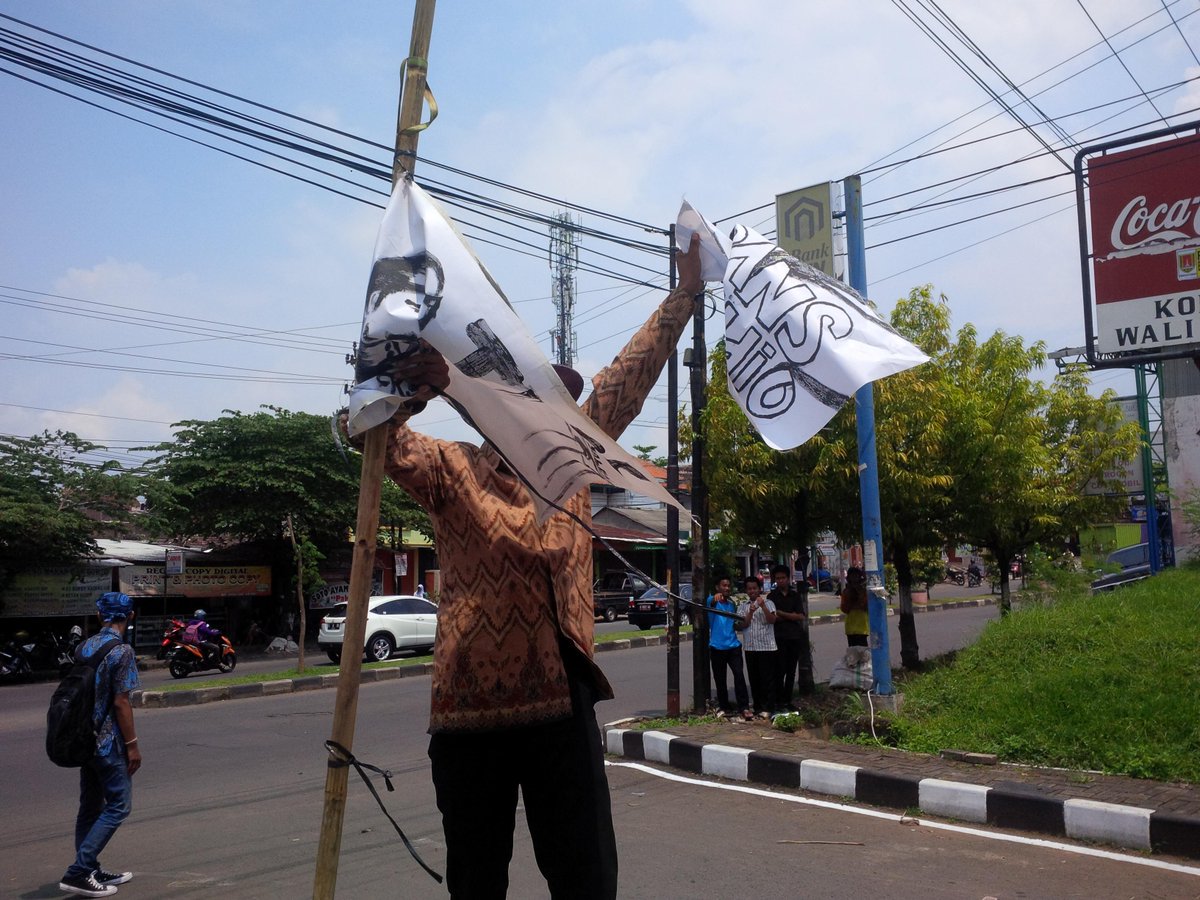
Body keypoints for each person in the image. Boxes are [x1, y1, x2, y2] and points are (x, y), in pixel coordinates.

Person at [367, 237, 703, 898]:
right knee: (476, 881)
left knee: (586, 877)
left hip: (560, 703)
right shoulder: (452, 468)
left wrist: (686, 293)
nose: (548, 410)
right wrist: (411, 390)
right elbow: (371, 436)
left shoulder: (570, 465)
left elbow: (628, 377)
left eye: (554, 401)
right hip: (470, 710)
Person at [58, 592, 141, 898]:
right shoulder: (122, 651)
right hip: (108, 743)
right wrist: (132, 745)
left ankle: (89, 868)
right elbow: (121, 702)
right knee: (119, 805)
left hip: (84, 739)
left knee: (90, 807)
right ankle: (79, 871)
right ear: (129, 616)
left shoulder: (84, 646)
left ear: (98, 616)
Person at [705, 576, 751, 721]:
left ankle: (744, 707)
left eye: (728, 586)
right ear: (717, 587)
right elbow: (711, 601)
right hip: (717, 646)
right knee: (720, 679)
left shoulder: (731, 604)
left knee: (739, 675)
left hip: (733, 646)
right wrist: (715, 597)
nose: (727, 588)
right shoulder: (712, 601)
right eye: (723, 585)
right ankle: (724, 706)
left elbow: (735, 623)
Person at [769, 564, 812, 710]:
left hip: (794, 637)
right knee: (779, 670)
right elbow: (773, 617)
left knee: (791, 671)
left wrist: (782, 613)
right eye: (778, 578)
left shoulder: (795, 596)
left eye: (783, 578)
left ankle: (787, 700)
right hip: (778, 637)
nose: (780, 580)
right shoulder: (771, 597)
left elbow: (800, 616)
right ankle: (779, 700)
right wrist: (790, 615)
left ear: (788, 578)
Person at [736, 575, 778, 718]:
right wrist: (751, 611)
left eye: (754, 588)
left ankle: (768, 707)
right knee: (754, 678)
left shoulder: (769, 603)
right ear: (746, 591)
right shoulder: (743, 606)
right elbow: (742, 625)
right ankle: (758, 706)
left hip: (766, 647)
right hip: (750, 647)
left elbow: (772, 620)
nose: (752, 591)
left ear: (759, 589)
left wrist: (763, 606)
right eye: (749, 589)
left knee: (767, 678)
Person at [840, 567, 870, 647]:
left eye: (856, 576)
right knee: (853, 651)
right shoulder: (846, 591)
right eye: (852, 576)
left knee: (863, 651)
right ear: (849, 578)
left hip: (862, 626)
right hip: (851, 627)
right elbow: (844, 608)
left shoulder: (864, 591)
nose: (854, 578)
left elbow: (866, 606)